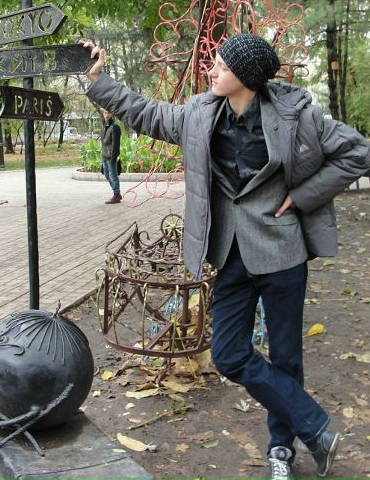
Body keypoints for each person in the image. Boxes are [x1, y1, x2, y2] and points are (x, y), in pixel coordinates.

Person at [81, 34, 370, 480]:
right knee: (230, 354)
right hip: (229, 254)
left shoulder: (296, 116)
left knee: (286, 357)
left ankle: (281, 450)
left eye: (221, 64)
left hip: (282, 253)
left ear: (246, 77)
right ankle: (314, 427)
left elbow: (358, 152)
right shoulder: (200, 114)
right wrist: (99, 80)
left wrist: (302, 196)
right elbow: (145, 112)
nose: (210, 70)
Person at [101, 108, 122, 204]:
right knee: (106, 174)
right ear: (103, 114)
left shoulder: (115, 127)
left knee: (113, 175)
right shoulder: (104, 126)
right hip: (104, 156)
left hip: (111, 156)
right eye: (105, 113)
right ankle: (116, 192)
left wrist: (114, 158)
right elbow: (103, 143)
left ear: (112, 114)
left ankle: (116, 194)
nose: (107, 115)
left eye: (108, 113)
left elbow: (116, 144)